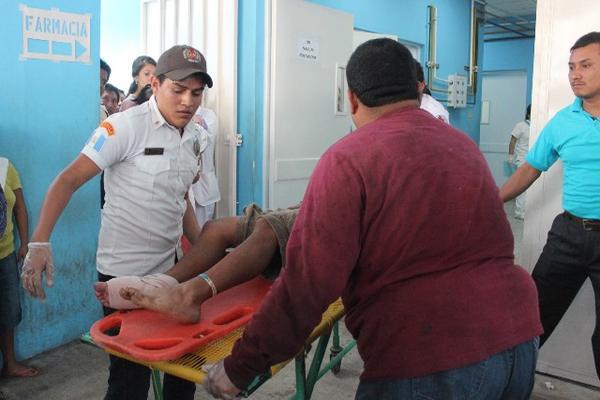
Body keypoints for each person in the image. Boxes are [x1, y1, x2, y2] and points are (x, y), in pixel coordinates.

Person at [116, 39, 542, 400]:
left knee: (263, 230)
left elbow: (307, 286)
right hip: (518, 339)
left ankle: (186, 291)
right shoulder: (462, 148)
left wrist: (242, 366)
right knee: (238, 228)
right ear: (417, 91)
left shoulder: (351, 158)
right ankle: (180, 287)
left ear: (352, 98)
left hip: (427, 357)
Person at [21, 44, 214, 400]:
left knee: (184, 366)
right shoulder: (123, 127)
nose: (188, 101)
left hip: (173, 268)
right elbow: (68, 179)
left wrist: (202, 245)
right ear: (155, 84)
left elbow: (180, 196)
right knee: (129, 379)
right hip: (123, 274)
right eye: (178, 90)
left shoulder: (196, 137)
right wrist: (39, 242)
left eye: (196, 93)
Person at [500, 31, 600, 380]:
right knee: (532, 320)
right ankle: (510, 386)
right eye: (572, 66)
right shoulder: (562, 122)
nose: (575, 74)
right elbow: (530, 168)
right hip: (569, 234)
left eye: (586, 65)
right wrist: (491, 200)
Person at [94, 204, 298, 323]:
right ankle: (164, 282)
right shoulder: (124, 133)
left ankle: (189, 295)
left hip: (324, 221)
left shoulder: (192, 138)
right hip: (306, 204)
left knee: (269, 228)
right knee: (215, 229)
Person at [0, 158, 38, 378]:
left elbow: (20, 208)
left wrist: (24, 244)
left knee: (9, 310)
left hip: (5, 255)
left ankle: (10, 363)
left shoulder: (5, 166)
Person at [189, 106, 220, 228]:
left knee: (203, 230)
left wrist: (193, 123)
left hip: (204, 184)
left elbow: (203, 140)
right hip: (184, 186)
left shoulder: (208, 115)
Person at [507, 104, 531, 220]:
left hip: (533, 159)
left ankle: (527, 209)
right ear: (529, 113)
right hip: (521, 159)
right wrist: (510, 156)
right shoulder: (521, 126)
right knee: (522, 186)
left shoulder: (537, 126)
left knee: (531, 185)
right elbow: (513, 141)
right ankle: (519, 211)